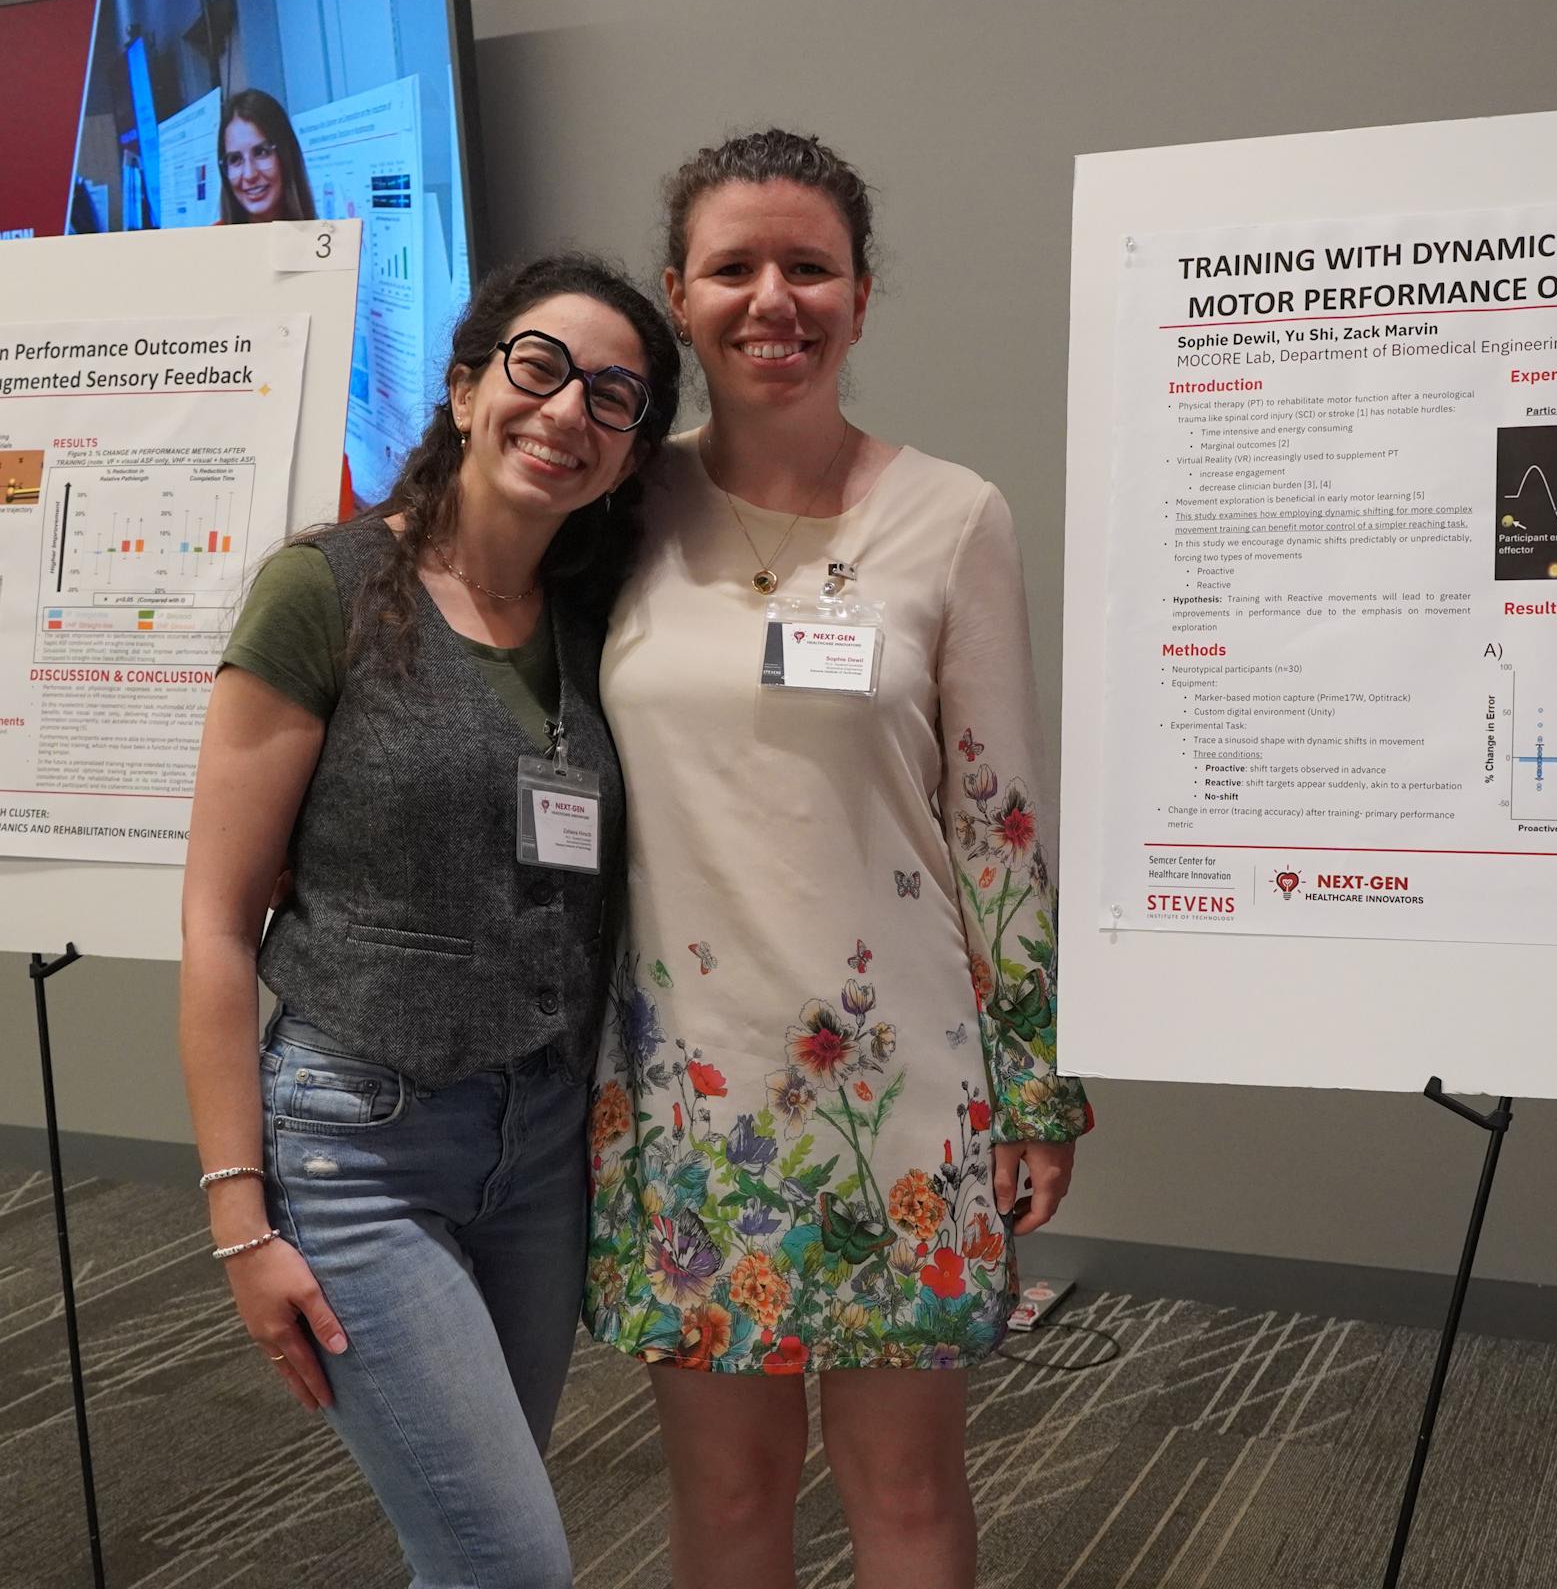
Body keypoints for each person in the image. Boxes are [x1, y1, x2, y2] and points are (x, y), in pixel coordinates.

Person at [584, 130, 1092, 1589]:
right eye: (733, 267)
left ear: (862, 297)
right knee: (727, 1494)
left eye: (809, 267)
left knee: (907, 1492)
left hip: (900, 1087)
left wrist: (1035, 1089)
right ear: (678, 297)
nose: (773, 300)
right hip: (688, 1090)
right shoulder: (617, 506)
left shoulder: (954, 515)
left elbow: (1000, 820)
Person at [179, 254, 680, 1585]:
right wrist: (240, 1221)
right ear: (465, 390)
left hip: (542, 1156)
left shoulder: (602, 627)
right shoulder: (326, 589)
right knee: (511, 1563)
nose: (567, 411)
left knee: (464, 1550)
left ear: (633, 453)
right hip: (361, 1149)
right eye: (538, 367)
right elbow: (218, 924)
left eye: (614, 396)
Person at [218, 90, 316, 224]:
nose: (249, 174)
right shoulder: (210, 238)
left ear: (286, 156)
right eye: (235, 159)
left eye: (261, 152)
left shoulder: (323, 234)